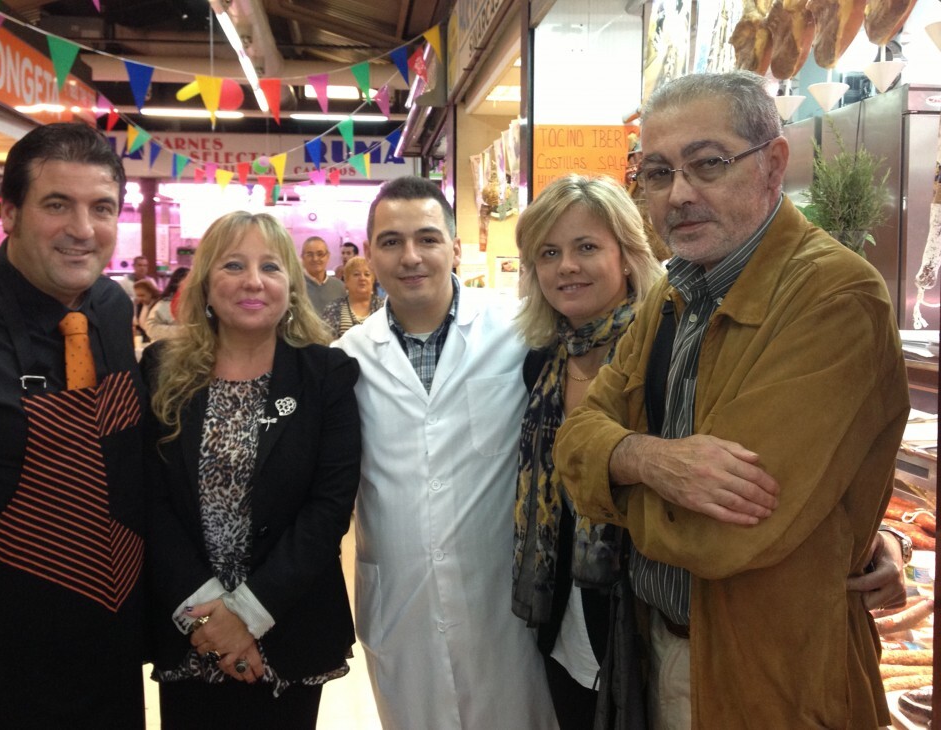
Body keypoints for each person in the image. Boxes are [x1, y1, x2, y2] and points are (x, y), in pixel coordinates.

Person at [553, 70, 910, 728]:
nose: (680, 194)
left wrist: (603, 477)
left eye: (708, 163)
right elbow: (575, 439)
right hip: (655, 645)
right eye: (657, 173)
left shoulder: (832, 297)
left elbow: (722, 534)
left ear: (773, 165)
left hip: (771, 681)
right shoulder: (672, 292)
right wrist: (642, 458)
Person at [0, 122, 146, 727]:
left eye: (102, 208)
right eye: (56, 205)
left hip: (110, 652)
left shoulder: (111, 307)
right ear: (10, 212)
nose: (82, 229)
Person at [335, 176, 557, 730]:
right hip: (401, 602)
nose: (410, 256)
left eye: (428, 239)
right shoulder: (346, 360)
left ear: (455, 249)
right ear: (370, 254)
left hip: (501, 601)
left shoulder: (518, 331)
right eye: (391, 241)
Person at [141, 211, 359, 729]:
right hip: (190, 626)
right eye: (234, 265)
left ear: (291, 285)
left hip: (288, 624)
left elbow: (328, 509)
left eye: (271, 267)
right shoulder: (159, 371)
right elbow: (147, 499)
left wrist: (247, 618)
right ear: (206, 285)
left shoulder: (325, 375)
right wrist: (209, 617)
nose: (253, 281)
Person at [512, 175, 664, 729]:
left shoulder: (660, 354)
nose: (566, 266)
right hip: (560, 621)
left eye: (586, 247)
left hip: (647, 621)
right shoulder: (540, 363)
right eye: (549, 253)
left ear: (627, 255)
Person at [322, 255, 384, 338]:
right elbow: (325, 341)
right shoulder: (332, 308)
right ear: (346, 281)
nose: (362, 278)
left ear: (372, 280)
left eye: (367, 274)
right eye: (356, 274)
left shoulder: (384, 307)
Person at [301, 236, 345, 315]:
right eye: (309, 254)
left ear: (328, 256)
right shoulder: (295, 287)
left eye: (320, 254)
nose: (315, 259)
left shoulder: (339, 287)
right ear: (302, 257)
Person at [145, 265, 190, 342]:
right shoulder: (164, 304)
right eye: (189, 280)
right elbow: (151, 328)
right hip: (169, 349)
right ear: (178, 283)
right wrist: (183, 331)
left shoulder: (199, 303)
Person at [133, 276, 162, 344]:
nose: (139, 298)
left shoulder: (159, 306)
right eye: (137, 295)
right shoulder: (140, 305)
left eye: (142, 295)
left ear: (151, 292)